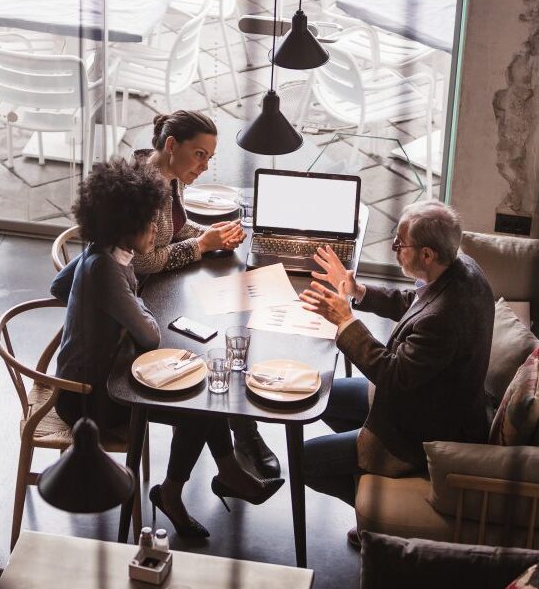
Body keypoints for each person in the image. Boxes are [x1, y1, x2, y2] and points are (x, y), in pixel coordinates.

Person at [51, 159, 283, 538]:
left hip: (93, 372)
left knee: (200, 394)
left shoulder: (99, 250)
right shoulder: (109, 270)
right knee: (197, 403)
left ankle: (215, 477)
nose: (158, 232)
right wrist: (128, 301)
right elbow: (150, 336)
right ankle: (189, 489)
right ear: (129, 226)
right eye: (151, 224)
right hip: (88, 399)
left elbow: (59, 286)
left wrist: (95, 317)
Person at [299, 200, 494, 544]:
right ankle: (361, 452)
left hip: (425, 426)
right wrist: (358, 292)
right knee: (321, 395)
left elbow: (392, 376)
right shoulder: (461, 268)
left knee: (305, 462)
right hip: (427, 395)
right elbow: (414, 303)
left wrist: (345, 321)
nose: (393, 248)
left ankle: (378, 526)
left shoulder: (444, 319)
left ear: (428, 254)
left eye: (400, 243)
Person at [132, 110, 281, 479]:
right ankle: (243, 432)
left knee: (224, 335)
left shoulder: (169, 177)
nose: (205, 166)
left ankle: (239, 440)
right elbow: (145, 262)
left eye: (210, 158)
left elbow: (174, 229)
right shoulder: (143, 191)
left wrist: (214, 235)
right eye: (200, 154)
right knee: (213, 353)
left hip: (160, 289)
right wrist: (202, 245)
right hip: (141, 302)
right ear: (171, 146)